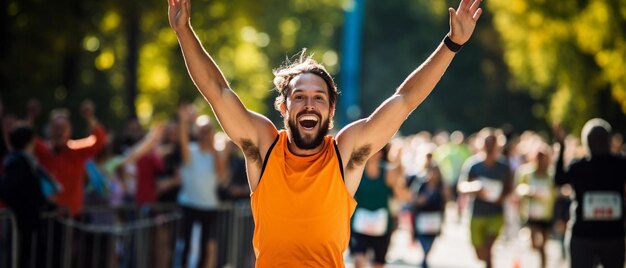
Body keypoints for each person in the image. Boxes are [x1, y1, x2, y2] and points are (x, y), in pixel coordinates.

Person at [167, 0, 482, 265]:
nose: (309, 104)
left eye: (319, 98)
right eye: (299, 97)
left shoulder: (345, 153)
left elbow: (404, 99)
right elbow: (217, 91)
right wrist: (183, 31)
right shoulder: (264, 146)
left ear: (331, 111)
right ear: (283, 107)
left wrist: (451, 44)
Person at [554, 119, 626, 268]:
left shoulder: (578, 167)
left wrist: (561, 146)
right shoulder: (620, 165)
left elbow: (558, 179)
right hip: (613, 234)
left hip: (582, 235)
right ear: (609, 140)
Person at [34, 100, 108, 216]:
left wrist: (89, 117)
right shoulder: (42, 150)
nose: (60, 132)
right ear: (49, 129)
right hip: (47, 214)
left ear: (70, 129)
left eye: (63, 128)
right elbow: (21, 139)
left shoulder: (77, 150)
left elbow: (100, 140)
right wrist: (31, 117)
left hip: (73, 215)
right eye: (56, 128)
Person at [0, 124, 57, 268]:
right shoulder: (19, 163)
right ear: (30, 141)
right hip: (24, 225)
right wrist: (28, 207)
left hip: (26, 223)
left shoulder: (21, 161)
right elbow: (13, 190)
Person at [176, 104, 226, 268]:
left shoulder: (216, 154)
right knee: (186, 244)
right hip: (189, 204)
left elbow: (221, 174)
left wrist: (213, 147)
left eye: (208, 130)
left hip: (208, 206)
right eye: (202, 131)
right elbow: (182, 139)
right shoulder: (190, 150)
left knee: (205, 247)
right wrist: (184, 121)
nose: (205, 134)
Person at [457, 129, 513, 268]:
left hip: (496, 214)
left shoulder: (504, 167)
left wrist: (502, 197)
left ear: (498, 145)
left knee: (488, 249)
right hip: (477, 214)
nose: (489, 145)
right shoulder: (473, 164)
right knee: (480, 253)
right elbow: (461, 186)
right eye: (486, 142)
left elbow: (510, 187)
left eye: (492, 142)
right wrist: (474, 188)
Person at [349, 145, 398, 268]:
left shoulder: (389, 172)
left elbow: (401, 195)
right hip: (359, 224)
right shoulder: (357, 170)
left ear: (382, 153)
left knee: (378, 264)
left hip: (382, 226)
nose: (374, 154)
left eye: (377, 151)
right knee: (359, 261)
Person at [514, 142, 555, 268]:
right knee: (534, 243)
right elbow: (518, 189)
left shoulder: (552, 175)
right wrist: (528, 191)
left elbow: (556, 192)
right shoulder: (525, 172)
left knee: (543, 245)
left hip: (546, 214)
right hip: (531, 213)